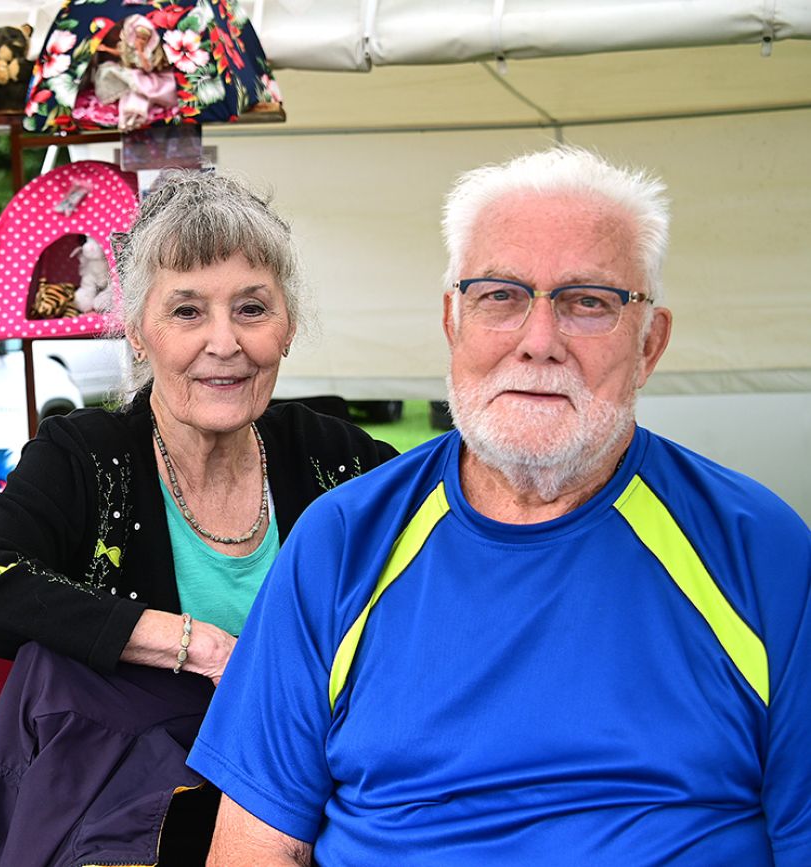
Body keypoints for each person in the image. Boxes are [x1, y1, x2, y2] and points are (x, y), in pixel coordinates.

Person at [188, 146, 811, 865]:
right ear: (454, 321)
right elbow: (253, 848)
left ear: (650, 344)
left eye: (589, 302)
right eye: (500, 295)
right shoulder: (341, 543)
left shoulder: (761, 552)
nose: (538, 342)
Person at [0, 170, 399, 866]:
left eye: (252, 308)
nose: (224, 342)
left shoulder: (334, 455)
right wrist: (202, 646)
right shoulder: (87, 456)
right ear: (137, 330)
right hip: (147, 825)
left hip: (321, 803)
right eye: (187, 311)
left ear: (289, 327)